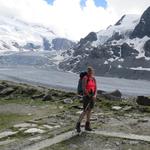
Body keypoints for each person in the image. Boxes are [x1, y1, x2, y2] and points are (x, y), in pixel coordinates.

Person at [76, 66, 97, 132]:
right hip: (86, 96)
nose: (90, 72)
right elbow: (84, 88)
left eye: (91, 71)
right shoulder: (85, 78)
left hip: (92, 96)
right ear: (87, 72)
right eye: (89, 71)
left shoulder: (93, 78)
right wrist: (88, 95)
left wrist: (95, 95)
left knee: (90, 110)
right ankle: (78, 124)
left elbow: (96, 87)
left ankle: (87, 125)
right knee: (85, 110)